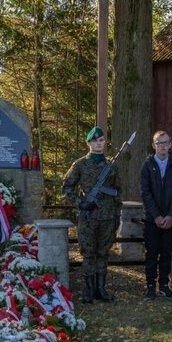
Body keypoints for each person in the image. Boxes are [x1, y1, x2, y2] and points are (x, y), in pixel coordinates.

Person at [63, 126, 122, 303]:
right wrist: (81, 203)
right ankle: (89, 290)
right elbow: (66, 188)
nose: (99, 143)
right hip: (88, 218)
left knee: (103, 253)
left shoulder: (111, 165)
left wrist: (117, 213)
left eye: (102, 140)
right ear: (89, 143)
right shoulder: (80, 164)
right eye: (95, 141)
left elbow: (118, 191)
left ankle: (101, 289)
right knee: (88, 253)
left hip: (107, 217)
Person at [139, 130, 172, 300]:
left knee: (166, 252)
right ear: (154, 145)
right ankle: (150, 285)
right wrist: (156, 216)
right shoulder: (147, 165)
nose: (163, 146)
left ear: (170, 144)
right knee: (151, 253)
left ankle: (164, 285)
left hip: (170, 219)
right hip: (152, 219)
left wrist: (171, 215)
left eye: (166, 142)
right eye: (159, 143)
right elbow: (145, 193)